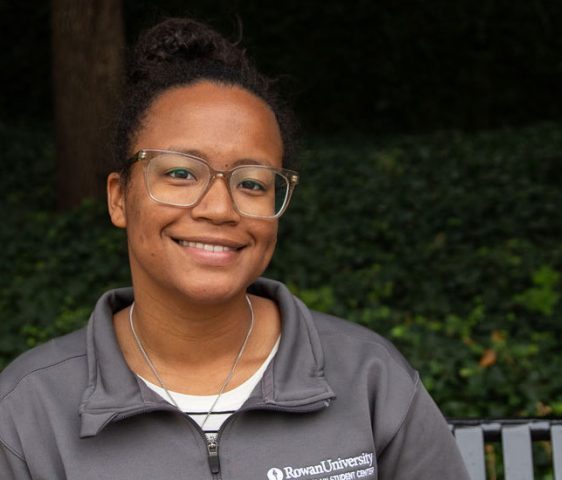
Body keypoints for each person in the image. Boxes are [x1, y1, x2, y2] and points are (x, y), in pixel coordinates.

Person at [0, 18, 470, 479]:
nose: (221, 209)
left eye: (251, 182)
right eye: (181, 173)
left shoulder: (369, 379)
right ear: (119, 197)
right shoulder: (27, 409)